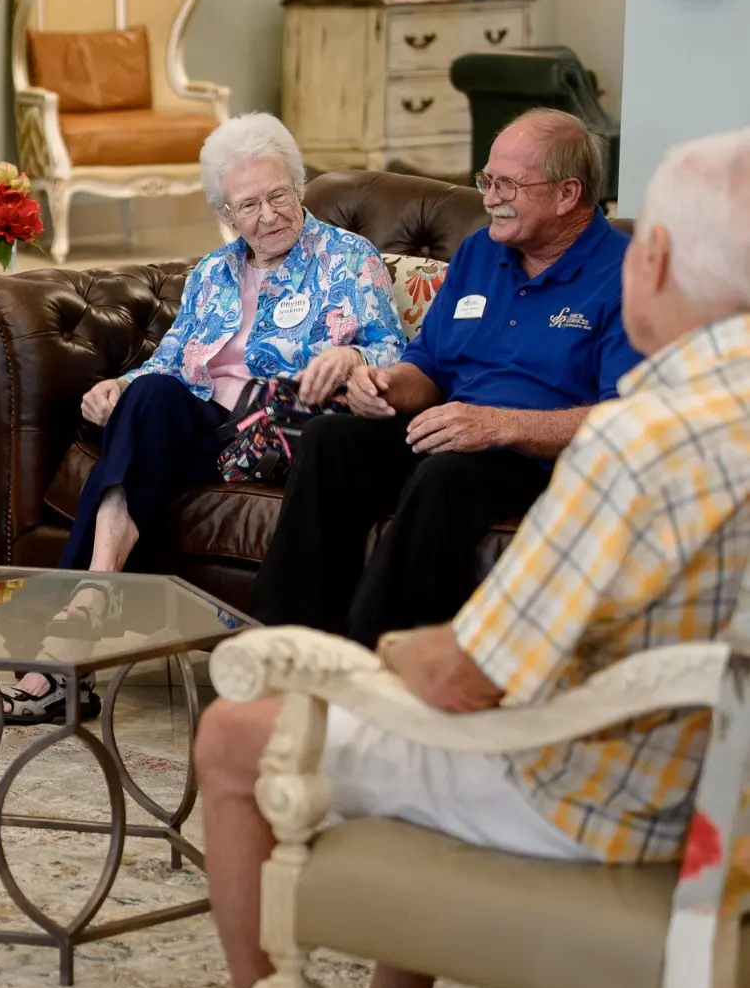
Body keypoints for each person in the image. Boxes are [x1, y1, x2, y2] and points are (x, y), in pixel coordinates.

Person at [122, 126, 750, 988]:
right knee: (350, 461)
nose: (490, 195)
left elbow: (466, 684)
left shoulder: (639, 438)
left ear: (654, 261)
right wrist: (391, 388)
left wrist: (361, 680)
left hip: (606, 794)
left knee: (240, 738)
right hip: (707, 773)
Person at [0, 113, 404, 726]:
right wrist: (115, 388)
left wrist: (351, 355)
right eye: (248, 205)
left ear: (299, 187)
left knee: (156, 418)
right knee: (149, 396)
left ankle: (57, 657)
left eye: (278, 195)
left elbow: (395, 352)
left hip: (285, 429)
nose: (268, 215)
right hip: (210, 430)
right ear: (227, 215)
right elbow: (173, 361)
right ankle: (93, 597)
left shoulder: (347, 257)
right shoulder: (213, 273)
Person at [248, 108, 641, 646]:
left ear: (568, 194)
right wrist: (386, 384)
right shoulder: (481, 251)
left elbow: (628, 418)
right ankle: (280, 645)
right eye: (486, 179)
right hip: (456, 430)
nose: (488, 196)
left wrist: (500, 426)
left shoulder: (627, 273)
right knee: (329, 440)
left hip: (542, 457)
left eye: (507, 184)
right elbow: (429, 366)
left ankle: (378, 665)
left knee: (444, 476)